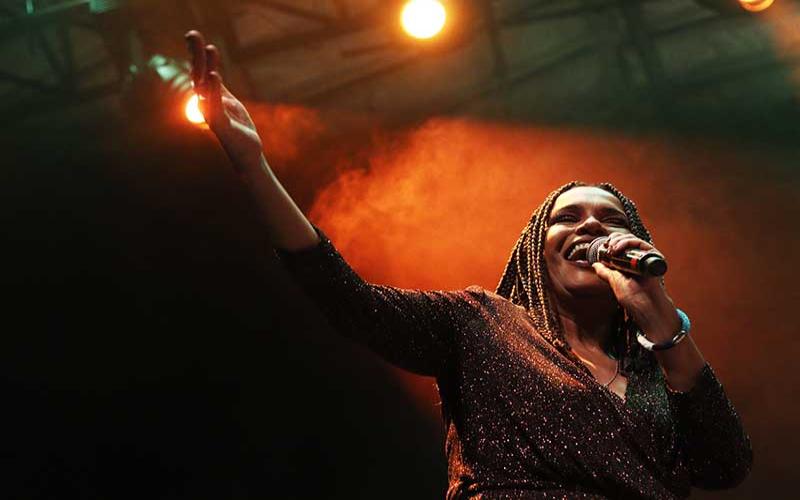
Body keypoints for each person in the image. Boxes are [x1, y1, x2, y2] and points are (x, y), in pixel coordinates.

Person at [184, 31, 753, 499]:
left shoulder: (658, 373)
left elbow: (725, 465)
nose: (589, 228)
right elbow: (347, 300)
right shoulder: (480, 324)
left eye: (609, 220)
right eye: (568, 217)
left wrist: (665, 329)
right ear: (536, 248)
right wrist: (254, 166)